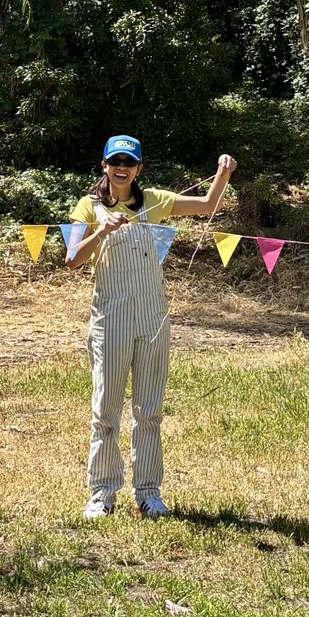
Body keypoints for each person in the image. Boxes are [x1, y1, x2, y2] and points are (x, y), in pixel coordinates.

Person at [68, 135, 238, 519]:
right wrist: (103, 230)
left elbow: (208, 204)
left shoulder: (156, 201)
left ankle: (148, 493)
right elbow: (72, 259)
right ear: (104, 166)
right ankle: (102, 493)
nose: (121, 167)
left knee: (149, 409)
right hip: (109, 317)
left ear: (139, 168)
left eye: (129, 161)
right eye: (115, 161)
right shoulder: (88, 206)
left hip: (153, 317)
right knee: (105, 408)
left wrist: (222, 173)